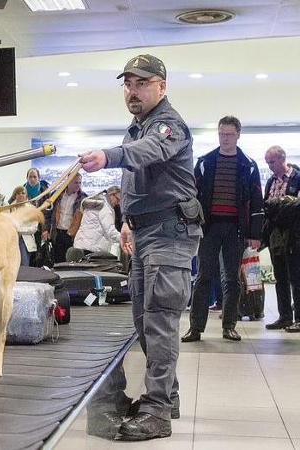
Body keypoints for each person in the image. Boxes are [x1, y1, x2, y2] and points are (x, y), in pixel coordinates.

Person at [80, 54, 201, 441]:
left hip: (170, 232)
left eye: (142, 84)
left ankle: (157, 410)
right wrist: (129, 221)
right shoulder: (138, 126)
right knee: (143, 321)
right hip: (147, 233)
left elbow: (149, 153)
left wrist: (107, 157)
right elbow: (140, 180)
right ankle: (168, 396)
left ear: (161, 86)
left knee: (160, 321)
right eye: (128, 84)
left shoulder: (167, 125)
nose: (132, 91)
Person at [181, 116, 263, 343]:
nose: (225, 138)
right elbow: (193, 195)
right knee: (203, 276)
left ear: (238, 135)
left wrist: (254, 234)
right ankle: (196, 328)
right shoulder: (205, 162)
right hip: (210, 227)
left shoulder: (249, 165)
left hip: (235, 228)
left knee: (232, 279)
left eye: (229, 134)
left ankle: (229, 325)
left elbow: (256, 200)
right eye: (221, 134)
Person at [262, 145, 300, 332]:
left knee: (296, 277)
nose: (269, 166)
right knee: (280, 277)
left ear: (282, 159)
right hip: (275, 234)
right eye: (267, 162)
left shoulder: (297, 178)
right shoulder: (270, 181)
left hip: (294, 234)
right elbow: (267, 207)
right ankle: (284, 316)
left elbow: (295, 208)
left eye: (272, 162)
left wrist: (280, 207)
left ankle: (299, 318)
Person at [43, 173, 86, 263]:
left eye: (80, 183)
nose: (78, 185)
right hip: (57, 233)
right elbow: (47, 214)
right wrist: (45, 229)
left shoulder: (83, 198)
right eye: (75, 183)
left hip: (72, 236)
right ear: (68, 182)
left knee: (71, 262)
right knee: (57, 261)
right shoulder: (56, 195)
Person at [73, 186, 122, 255]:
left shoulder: (94, 203)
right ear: (111, 194)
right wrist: (125, 239)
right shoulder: (105, 208)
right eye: (118, 199)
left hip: (80, 245)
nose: (118, 203)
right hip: (92, 248)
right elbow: (111, 232)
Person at [10, 186, 36, 266]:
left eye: (23, 193)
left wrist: (18, 230)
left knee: (24, 266)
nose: (21, 195)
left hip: (25, 241)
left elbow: (34, 228)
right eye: (18, 193)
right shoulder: (9, 208)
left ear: (26, 196)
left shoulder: (32, 209)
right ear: (15, 195)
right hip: (11, 240)